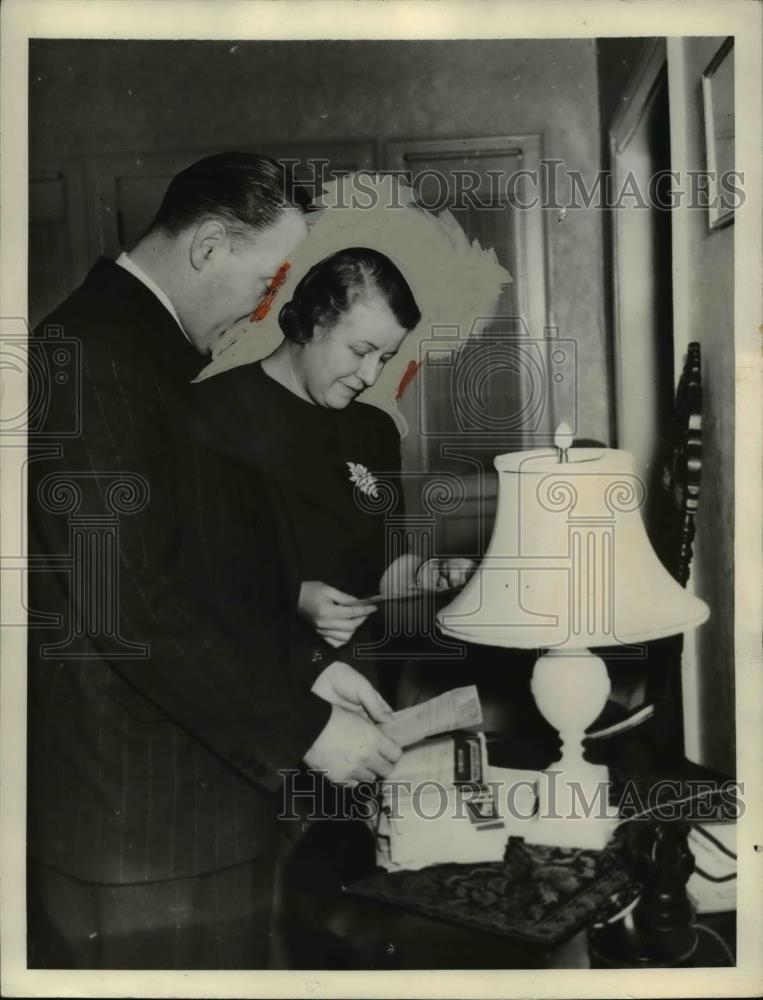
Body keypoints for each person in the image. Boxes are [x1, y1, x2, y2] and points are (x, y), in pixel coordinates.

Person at [26, 153, 401, 970]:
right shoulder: (94, 356)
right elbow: (131, 605)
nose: (268, 306)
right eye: (265, 280)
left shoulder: (133, 352)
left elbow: (195, 577)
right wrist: (301, 726)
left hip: (181, 811)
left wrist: (298, 668)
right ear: (205, 249)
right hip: (145, 828)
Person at [192, 247, 474, 681]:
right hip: (248, 675)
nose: (370, 376)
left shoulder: (375, 431)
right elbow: (186, 571)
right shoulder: (213, 413)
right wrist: (293, 597)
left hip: (352, 671)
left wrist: (423, 573)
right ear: (311, 323)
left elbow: (383, 566)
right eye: (360, 350)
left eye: (385, 357)